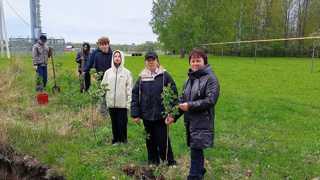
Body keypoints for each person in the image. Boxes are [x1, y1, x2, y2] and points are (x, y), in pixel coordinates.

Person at [166, 49, 220, 180]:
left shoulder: (211, 79)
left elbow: (210, 101)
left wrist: (190, 105)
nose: (195, 64)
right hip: (190, 121)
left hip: (202, 121)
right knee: (196, 147)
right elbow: (181, 100)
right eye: (192, 61)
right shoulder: (188, 79)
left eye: (198, 61)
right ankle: (200, 171)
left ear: (204, 62)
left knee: (196, 150)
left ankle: (194, 176)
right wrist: (173, 115)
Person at [131, 51, 177, 166]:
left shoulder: (164, 76)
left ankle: (169, 162)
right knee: (150, 140)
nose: (151, 62)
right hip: (147, 115)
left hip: (162, 115)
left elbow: (173, 94)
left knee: (163, 140)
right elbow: (135, 95)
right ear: (145, 62)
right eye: (148, 60)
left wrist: (170, 112)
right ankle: (153, 162)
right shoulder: (142, 77)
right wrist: (136, 114)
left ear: (157, 61)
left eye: (153, 60)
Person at [101, 50, 132, 145]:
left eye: (119, 56)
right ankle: (115, 140)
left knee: (122, 123)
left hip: (122, 103)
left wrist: (129, 102)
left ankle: (123, 140)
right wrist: (98, 95)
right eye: (115, 56)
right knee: (114, 123)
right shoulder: (108, 72)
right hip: (111, 103)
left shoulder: (127, 73)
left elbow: (129, 88)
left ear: (122, 58)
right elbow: (103, 86)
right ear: (113, 58)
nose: (117, 58)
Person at [93, 37, 113, 116]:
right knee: (102, 96)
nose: (104, 46)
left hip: (111, 79)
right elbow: (95, 67)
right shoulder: (97, 56)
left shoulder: (113, 55)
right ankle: (102, 113)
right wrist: (95, 73)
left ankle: (111, 112)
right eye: (102, 45)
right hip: (101, 80)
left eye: (105, 44)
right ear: (100, 46)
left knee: (111, 96)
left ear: (108, 45)